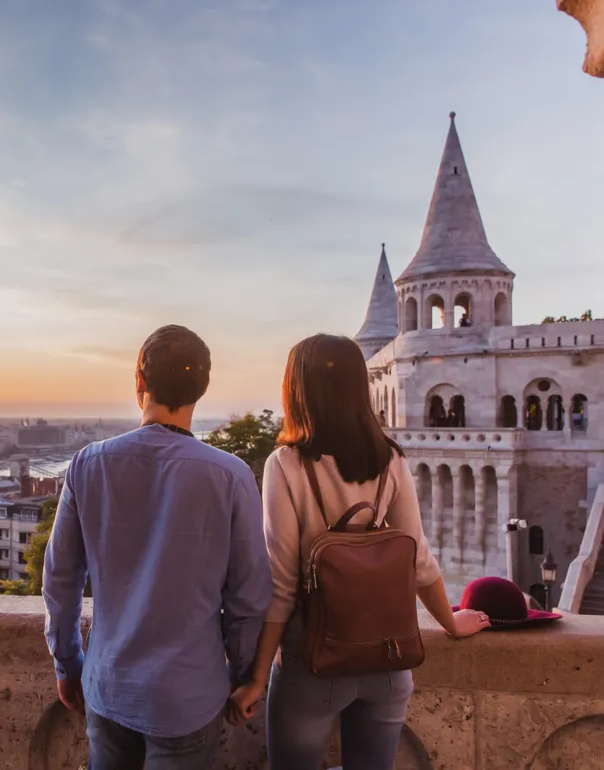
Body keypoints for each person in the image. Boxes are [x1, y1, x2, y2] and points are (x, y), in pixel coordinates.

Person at [226, 333, 488, 769]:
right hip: (387, 661)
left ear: (298, 389)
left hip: (312, 664)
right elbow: (417, 559)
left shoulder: (287, 464)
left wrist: (256, 677)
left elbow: (282, 583)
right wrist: (451, 624)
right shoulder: (390, 459)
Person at [43, 325, 272, 769]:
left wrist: (68, 662)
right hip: (188, 694)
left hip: (108, 684)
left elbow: (60, 580)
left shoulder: (88, 465)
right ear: (201, 390)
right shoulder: (231, 475)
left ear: (139, 382)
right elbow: (248, 596)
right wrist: (244, 674)